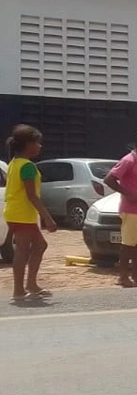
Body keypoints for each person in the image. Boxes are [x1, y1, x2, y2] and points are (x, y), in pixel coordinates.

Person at [4, 125, 57, 302]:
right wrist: (47, 217)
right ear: (28, 144)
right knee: (22, 251)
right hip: (22, 214)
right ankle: (19, 290)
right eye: (37, 143)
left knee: (40, 245)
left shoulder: (14, 163)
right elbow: (31, 195)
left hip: (17, 212)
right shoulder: (27, 166)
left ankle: (31, 285)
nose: (40, 146)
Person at [104, 135, 137, 288]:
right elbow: (109, 179)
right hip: (131, 209)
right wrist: (127, 193)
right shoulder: (129, 161)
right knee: (128, 244)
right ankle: (123, 276)